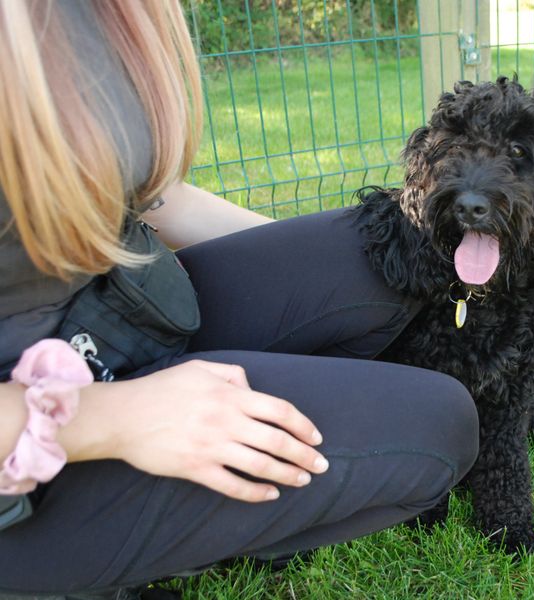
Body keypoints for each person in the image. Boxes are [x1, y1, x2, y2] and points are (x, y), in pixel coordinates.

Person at [0, 1, 479, 598]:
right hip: (32, 456)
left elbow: (146, 190)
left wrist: (301, 262)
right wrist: (119, 420)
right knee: (437, 428)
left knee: (382, 256)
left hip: (123, 315)